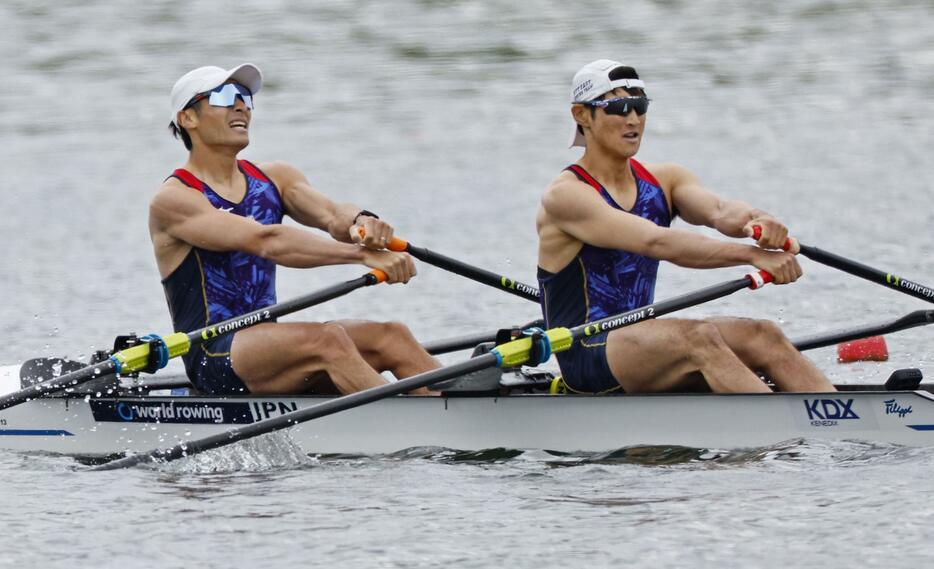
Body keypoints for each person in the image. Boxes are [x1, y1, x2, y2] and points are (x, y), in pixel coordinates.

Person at [536, 59, 836, 394]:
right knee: (698, 338)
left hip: (643, 342)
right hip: (587, 353)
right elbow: (656, 243)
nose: (633, 119)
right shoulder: (567, 196)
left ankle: (837, 418)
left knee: (764, 335)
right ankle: (781, 427)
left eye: (639, 106)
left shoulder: (665, 180)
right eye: (618, 107)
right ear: (581, 115)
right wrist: (752, 256)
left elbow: (720, 211)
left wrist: (757, 221)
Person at [150, 63, 439, 396]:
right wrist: (361, 256)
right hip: (214, 356)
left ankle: (456, 402)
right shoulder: (175, 200)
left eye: (245, 97)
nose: (241, 105)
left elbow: (333, 215)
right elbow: (267, 241)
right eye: (225, 96)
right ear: (188, 118)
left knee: (391, 335)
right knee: (328, 340)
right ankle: (409, 426)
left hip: (270, 348)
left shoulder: (275, 178)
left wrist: (361, 223)